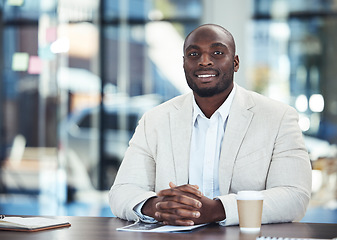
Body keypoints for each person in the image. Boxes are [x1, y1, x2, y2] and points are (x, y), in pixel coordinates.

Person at [109, 24, 312, 226]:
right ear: (184, 64)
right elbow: (122, 191)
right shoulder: (155, 120)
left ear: (235, 62)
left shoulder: (278, 117)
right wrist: (157, 207)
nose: (204, 61)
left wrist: (217, 210)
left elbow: (294, 196)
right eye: (194, 54)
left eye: (217, 52)